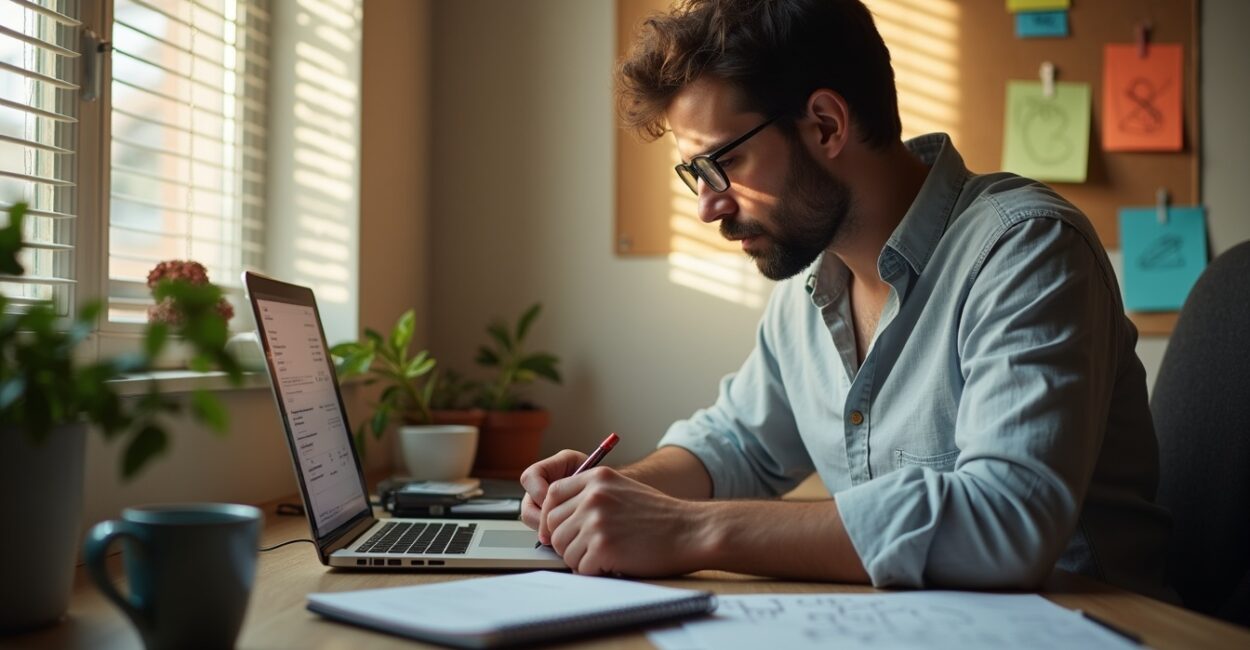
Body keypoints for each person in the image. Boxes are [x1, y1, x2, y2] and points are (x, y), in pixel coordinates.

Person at [520, 0, 1172, 600]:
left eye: (722, 165)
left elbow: (1004, 521)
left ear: (827, 124)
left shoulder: (1027, 252)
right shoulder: (812, 280)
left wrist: (687, 530)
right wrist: (611, 495)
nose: (706, 207)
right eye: (695, 175)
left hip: (1089, 628)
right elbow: (737, 446)